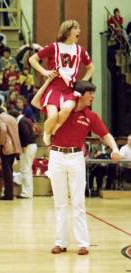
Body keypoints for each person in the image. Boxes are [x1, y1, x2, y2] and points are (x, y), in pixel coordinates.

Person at [36, 80, 120, 255]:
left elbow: (105, 135)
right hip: (57, 156)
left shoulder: (91, 116)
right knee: (60, 202)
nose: (93, 97)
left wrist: (115, 149)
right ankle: (61, 242)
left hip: (76, 157)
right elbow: (37, 103)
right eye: (90, 94)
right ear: (80, 95)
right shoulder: (60, 110)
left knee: (78, 202)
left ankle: (83, 244)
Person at [29, 20, 95, 145]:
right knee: (53, 116)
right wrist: (44, 72)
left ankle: (53, 132)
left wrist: (82, 82)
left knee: (66, 110)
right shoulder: (54, 47)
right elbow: (33, 59)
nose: (79, 31)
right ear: (67, 31)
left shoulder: (80, 50)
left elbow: (91, 68)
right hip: (54, 87)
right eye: (76, 28)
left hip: (70, 89)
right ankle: (47, 134)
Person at [0, 107, 22, 200]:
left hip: (6, 147)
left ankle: (8, 195)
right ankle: (10, 193)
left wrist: (1, 142)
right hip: (15, 146)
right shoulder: (11, 118)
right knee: (10, 170)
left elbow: (4, 130)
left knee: (6, 172)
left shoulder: (1, 118)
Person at [8, 109, 38, 198]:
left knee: (25, 170)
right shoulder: (25, 120)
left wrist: (24, 146)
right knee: (26, 170)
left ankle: (27, 193)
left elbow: (26, 134)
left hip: (27, 147)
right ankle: (27, 192)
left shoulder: (21, 122)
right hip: (31, 146)